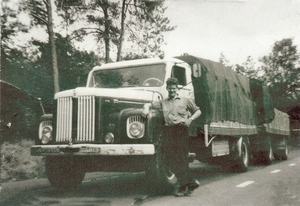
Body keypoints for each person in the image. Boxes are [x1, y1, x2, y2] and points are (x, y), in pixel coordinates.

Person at [142, 77, 201, 196]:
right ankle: (190, 182)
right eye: (170, 88)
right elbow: (149, 104)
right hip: (168, 131)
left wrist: (190, 119)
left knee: (182, 159)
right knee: (166, 157)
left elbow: (198, 111)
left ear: (177, 88)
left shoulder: (185, 100)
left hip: (181, 130)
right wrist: (145, 108)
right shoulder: (163, 102)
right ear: (167, 88)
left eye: (174, 88)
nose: (172, 90)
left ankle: (184, 187)